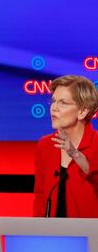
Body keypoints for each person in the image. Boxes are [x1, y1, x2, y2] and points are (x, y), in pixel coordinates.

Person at [33, 75, 98, 217]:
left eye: (63, 103)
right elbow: (40, 197)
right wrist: (37, 233)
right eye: (54, 101)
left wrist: (76, 155)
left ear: (82, 111)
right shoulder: (45, 145)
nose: (53, 108)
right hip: (53, 236)